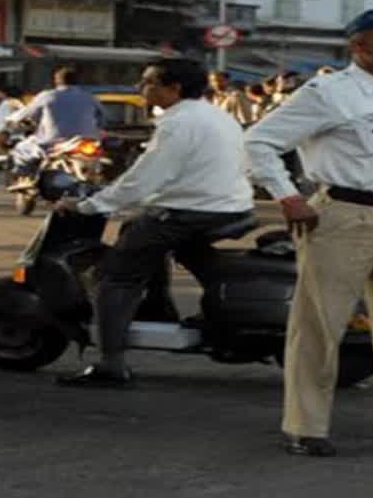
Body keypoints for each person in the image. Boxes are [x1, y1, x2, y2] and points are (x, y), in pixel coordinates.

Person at [245, 9, 373, 458]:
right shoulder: (327, 93)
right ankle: (306, 427)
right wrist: (287, 196)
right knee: (320, 325)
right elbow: (258, 142)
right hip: (344, 217)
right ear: (360, 46)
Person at [54, 58, 256, 387]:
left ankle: (111, 364)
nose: (141, 88)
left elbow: (143, 179)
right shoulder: (215, 115)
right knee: (136, 228)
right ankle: (158, 308)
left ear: (173, 88)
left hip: (192, 212)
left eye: (149, 82)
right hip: (227, 206)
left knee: (115, 277)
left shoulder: (177, 123)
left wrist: (89, 206)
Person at [7, 67, 105, 178]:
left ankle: (24, 174)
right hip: (86, 141)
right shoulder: (90, 97)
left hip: (51, 142)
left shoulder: (47, 96)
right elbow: (102, 119)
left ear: (56, 81)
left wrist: (12, 119)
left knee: (21, 148)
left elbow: (26, 113)